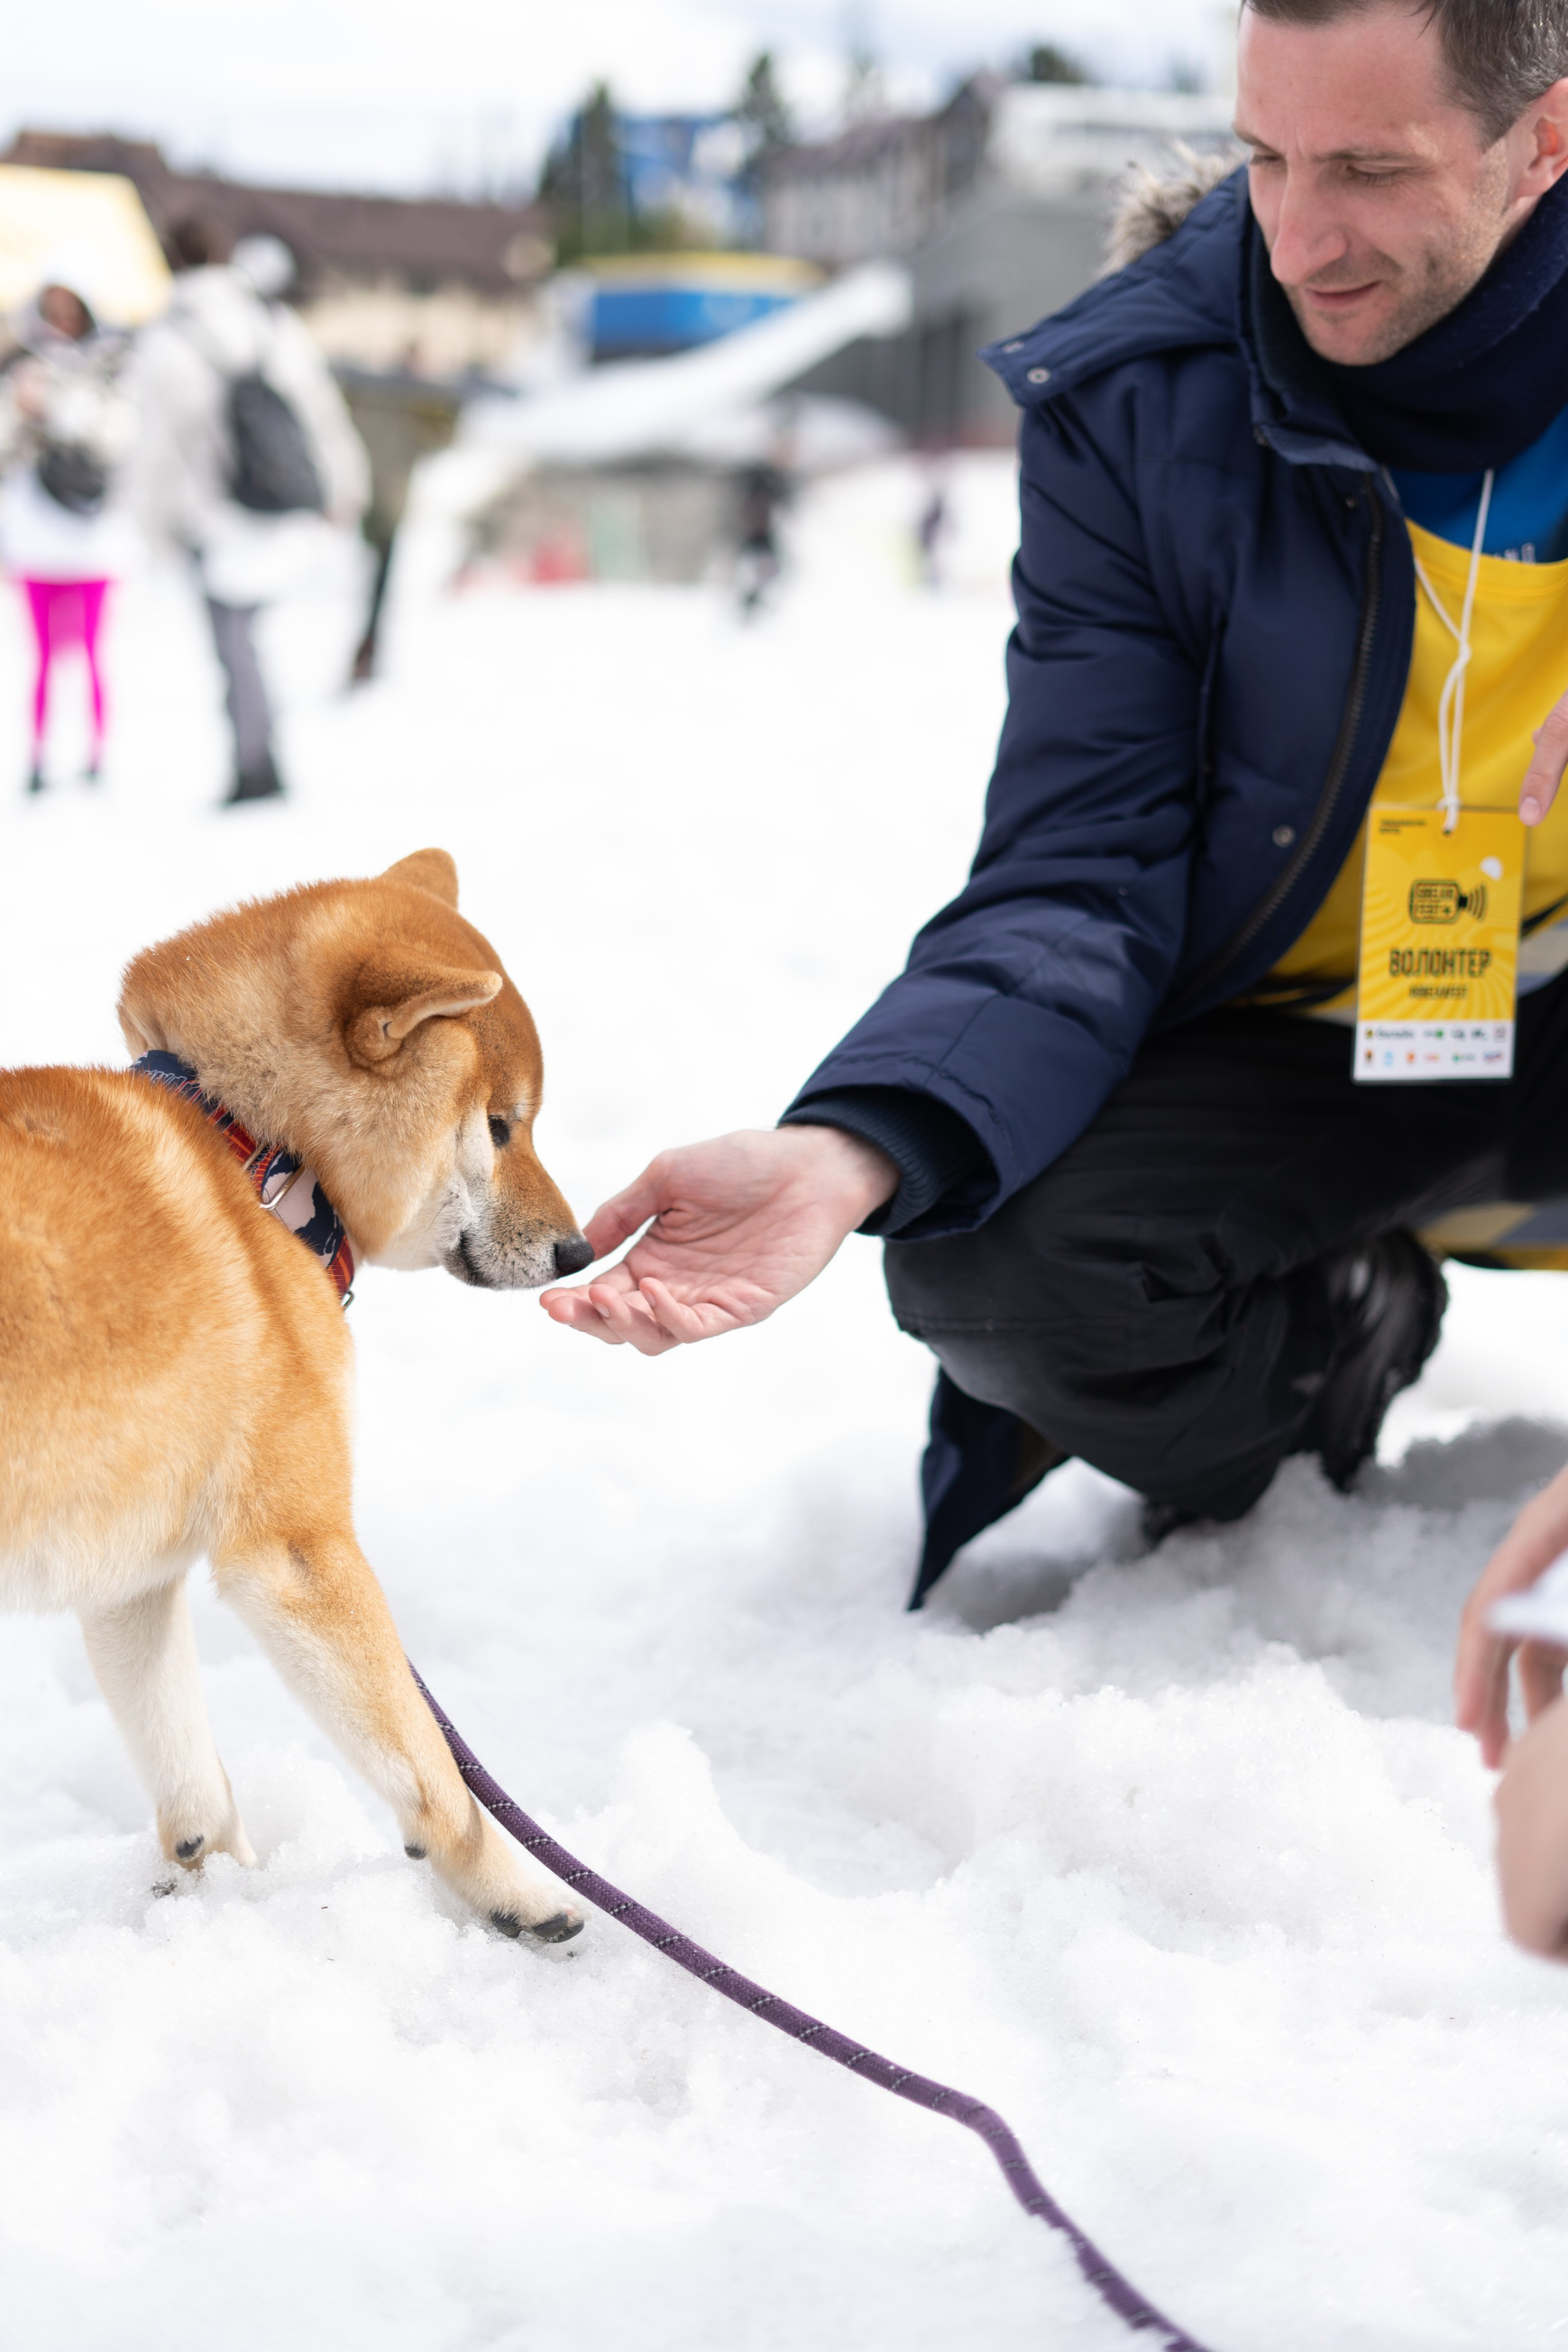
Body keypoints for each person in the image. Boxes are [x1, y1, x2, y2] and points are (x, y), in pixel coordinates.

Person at [542, 0, 1568, 1618]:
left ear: (1545, 140)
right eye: (1267, 158)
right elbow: (1083, 860)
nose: (1302, 238)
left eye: (1370, 169)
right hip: (1312, 1036)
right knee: (997, 1265)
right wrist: (858, 1140)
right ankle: (1343, 1331)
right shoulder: (1147, 404)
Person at [127, 216, 368, 805]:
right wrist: (344, 488)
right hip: (285, 507)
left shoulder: (164, 342)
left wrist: (156, 532)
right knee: (256, 639)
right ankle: (263, 749)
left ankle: (255, 762)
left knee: (233, 645)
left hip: (216, 518)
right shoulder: (270, 321)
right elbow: (319, 409)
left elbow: (153, 452)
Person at [0, 271, 136, 793]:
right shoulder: (20, 368)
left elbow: (118, 439)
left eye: (69, 309)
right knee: (39, 658)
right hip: (36, 537)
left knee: (93, 655)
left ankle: (96, 754)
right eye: (50, 309)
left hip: (92, 539)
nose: (60, 321)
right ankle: (37, 756)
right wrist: (21, 410)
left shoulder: (112, 368)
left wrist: (61, 408)